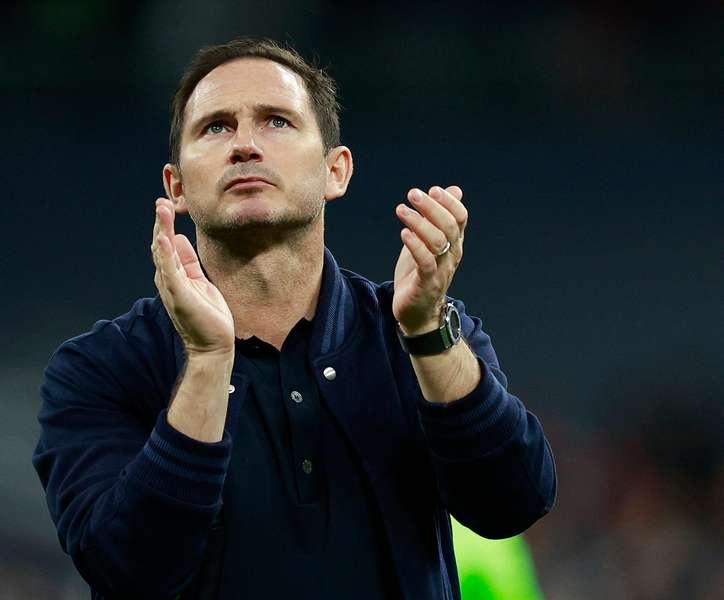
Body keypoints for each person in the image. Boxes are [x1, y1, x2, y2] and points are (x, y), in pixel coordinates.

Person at [33, 38, 557, 600]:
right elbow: (125, 568)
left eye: (276, 121)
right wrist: (209, 362)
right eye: (216, 128)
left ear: (336, 171)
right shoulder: (100, 368)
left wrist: (428, 332)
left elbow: (515, 502)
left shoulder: (416, 335)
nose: (245, 146)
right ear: (177, 187)